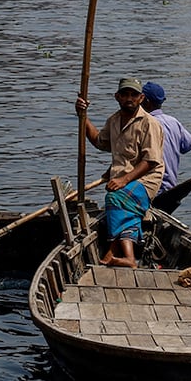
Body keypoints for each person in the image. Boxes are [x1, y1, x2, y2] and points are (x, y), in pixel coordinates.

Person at [74, 75, 164, 266]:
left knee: (116, 198)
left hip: (146, 179)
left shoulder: (149, 123)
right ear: (117, 96)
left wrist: (123, 180)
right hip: (125, 180)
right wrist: (84, 117)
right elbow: (100, 141)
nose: (129, 98)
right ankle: (129, 258)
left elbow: (151, 161)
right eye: (125, 94)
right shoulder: (114, 120)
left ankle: (112, 252)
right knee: (124, 206)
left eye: (134, 95)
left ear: (141, 99)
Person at [141, 81, 191, 208]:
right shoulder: (173, 122)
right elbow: (189, 144)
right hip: (169, 186)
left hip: (152, 187)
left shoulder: (144, 123)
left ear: (146, 102)